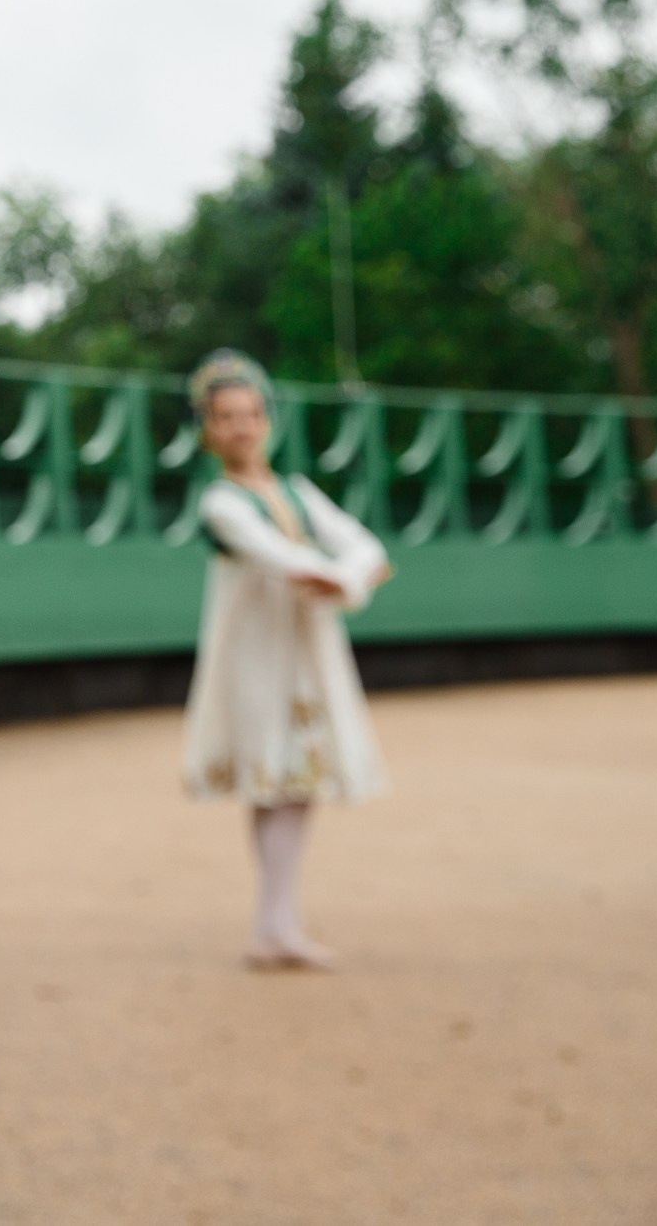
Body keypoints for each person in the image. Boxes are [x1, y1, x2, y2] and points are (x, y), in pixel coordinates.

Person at [180, 349, 392, 971]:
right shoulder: (221, 502)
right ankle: (271, 926)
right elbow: (281, 557)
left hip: (302, 648)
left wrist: (348, 578)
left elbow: (363, 545)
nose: (241, 427)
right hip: (256, 654)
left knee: (298, 781)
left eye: (250, 414)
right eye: (226, 417)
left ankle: (280, 923)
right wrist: (348, 578)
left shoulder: (295, 491)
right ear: (208, 429)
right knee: (271, 780)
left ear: (267, 420)